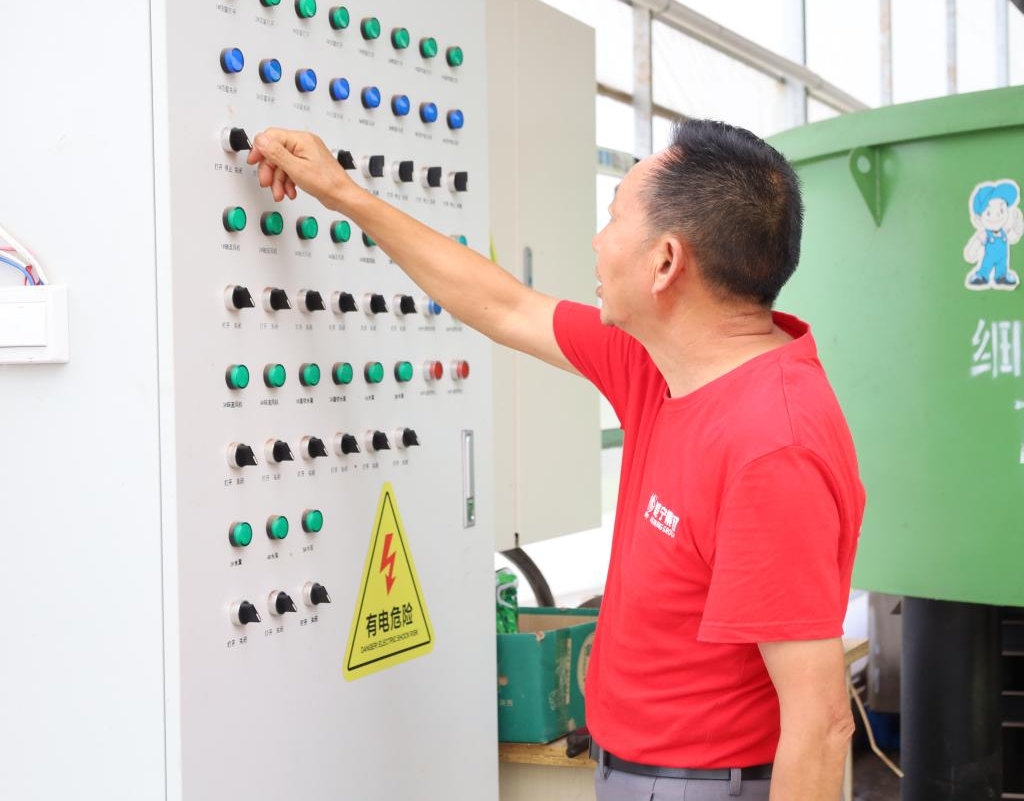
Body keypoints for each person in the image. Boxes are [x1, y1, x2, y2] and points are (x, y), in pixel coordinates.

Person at [247, 118, 865, 800]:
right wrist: (342, 194)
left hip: (705, 784)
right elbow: (502, 304)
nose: (598, 241)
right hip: (635, 768)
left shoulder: (771, 445)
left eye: (614, 218)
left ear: (665, 262)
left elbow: (821, 724)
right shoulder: (659, 362)